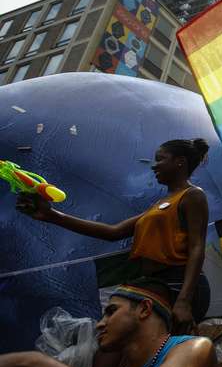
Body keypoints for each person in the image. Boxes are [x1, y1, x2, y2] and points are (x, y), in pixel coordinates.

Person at [17, 139, 211, 332]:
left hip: (179, 285)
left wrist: (184, 301)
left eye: (160, 159)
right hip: (156, 283)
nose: (154, 166)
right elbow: (113, 232)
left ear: (180, 161)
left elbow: (196, 247)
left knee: (163, 348)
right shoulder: (161, 204)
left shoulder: (193, 195)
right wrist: (51, 215)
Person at [0, 278, 217, 367]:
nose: (99, 323)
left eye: (111, 311)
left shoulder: (194, 349)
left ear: (144, 309)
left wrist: (30, 363)